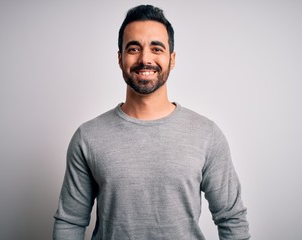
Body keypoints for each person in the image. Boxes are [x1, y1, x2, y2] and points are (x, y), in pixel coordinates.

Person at [53, 4, 250, 240]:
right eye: (134, 48)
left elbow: (232, 219)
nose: (145, 59)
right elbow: (70, 222)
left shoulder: (206, 135)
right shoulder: (88, 137)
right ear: (120, 58)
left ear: (172, 59)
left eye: (156, 48)